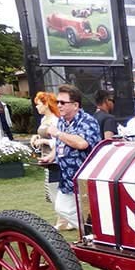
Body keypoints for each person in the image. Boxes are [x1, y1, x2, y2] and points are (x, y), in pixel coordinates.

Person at [40, 84, 101, 230]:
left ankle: (95, 234)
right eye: (57, 102)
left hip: (85, 178)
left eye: (62, 102)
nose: (58, 105)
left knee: (92, 212)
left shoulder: (87, 121)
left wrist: (58, 134)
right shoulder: (62, 121)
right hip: (67, 178)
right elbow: (61, 144)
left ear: (75, 105)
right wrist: (51, 156)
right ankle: (90, 233)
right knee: (62, 208)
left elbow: (82, 143)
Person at [30, 91, 70, 230]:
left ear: (46, 104)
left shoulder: (55, 120)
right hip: (46, 157)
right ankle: (63, 219)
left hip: (55, 159)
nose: (37, 107)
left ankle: (64, 220)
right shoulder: (44, 120)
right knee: (51, 189)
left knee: (56, 188)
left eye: (39, 104)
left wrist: (45, 141)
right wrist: (36, 138)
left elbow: (59, 142)